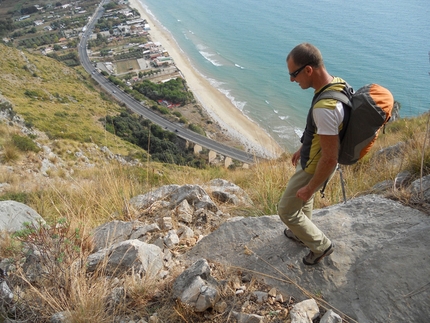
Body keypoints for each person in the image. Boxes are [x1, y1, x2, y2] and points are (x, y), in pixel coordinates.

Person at [278, 43, 349, 266]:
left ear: (308, 70)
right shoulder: (337, 84)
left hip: (314, 166)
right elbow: (323, 134)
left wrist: (311, 186)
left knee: (286, 210)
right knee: (303, 201)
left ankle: (321, 246)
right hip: (310, 157)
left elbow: (329, 157)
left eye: (294, 74)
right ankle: (302, 234)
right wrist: (303, 148)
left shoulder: (325, 108)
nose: (292, 80)